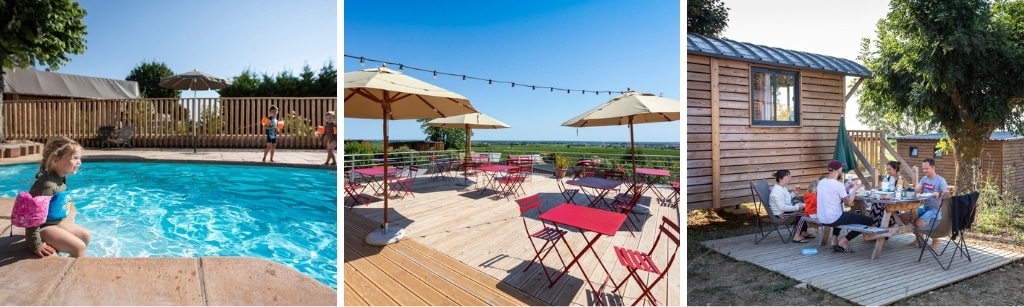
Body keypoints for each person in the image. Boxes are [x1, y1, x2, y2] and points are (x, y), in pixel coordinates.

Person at [26, 136, 91, 258]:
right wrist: (36, 244)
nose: (79, 162)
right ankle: (73, 271)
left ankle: (70, 261)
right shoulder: (47, 185)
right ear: (56, 160)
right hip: (44, 228)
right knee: (79, 247)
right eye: (75, 158)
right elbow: (33, 216)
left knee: (85, 235)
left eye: (79, 158)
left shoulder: (59, 178)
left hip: (55, 223)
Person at [818, 160, 873, 253]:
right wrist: (854, 190)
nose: (842, 171)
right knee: (867, 221)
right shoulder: (838, 185)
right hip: (833, 218)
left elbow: (832, 196)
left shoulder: (821, 182)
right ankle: (844, 241)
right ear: (837, 171)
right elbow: (849, 203)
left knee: (842, 214)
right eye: (841, 169)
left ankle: (834, 239)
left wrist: (846, 189)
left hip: (822, 218)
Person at [900, 158, 949, 249]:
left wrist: (939, 194)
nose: (924, 171)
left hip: (936, 210)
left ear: (933, 167)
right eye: (923, 169)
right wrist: (905, 193)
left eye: (927, 168)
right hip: (925, 207)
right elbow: (916, 190)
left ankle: (936, 240)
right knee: (904, 217)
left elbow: (947, 194)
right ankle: (918, 237)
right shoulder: (924, 179)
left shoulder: (940, 180)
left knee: (919, 223)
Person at [769, 170, 813, 243]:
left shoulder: (782, 188)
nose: (790, 178)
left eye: (790, 176)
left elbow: (786, 200)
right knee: (803, 213)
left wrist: (794, 193)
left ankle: (803, 232)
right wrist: (797, 208)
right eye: (787, 176)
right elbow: (782, 207)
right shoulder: (777, 191)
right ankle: (797, 236)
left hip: (784, 211)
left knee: (805, 208)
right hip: (780, 214)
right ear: (780, 178)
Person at [870, 161, 903, 227]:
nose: (888, 171)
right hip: (886, 201)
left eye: (889, 169)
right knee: (875, 204)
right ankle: (874, 225)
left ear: (895, 169)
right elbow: (883, 189)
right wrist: (879, 188)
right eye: (887, 169)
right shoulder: (888, 179)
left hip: (894, 204)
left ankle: (881, 226)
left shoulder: (899, 180)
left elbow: (898, 192)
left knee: (878, 205)